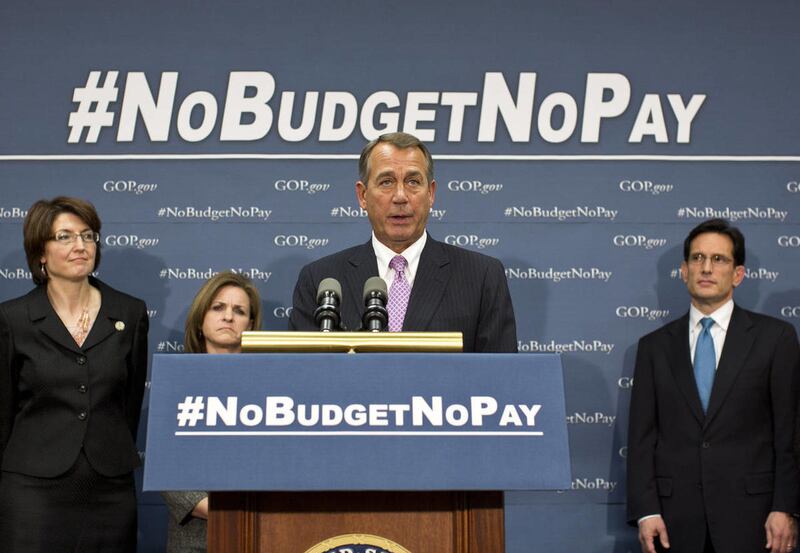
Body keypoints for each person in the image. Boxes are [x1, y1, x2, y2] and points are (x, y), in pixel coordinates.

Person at [626, 218, 800, 553]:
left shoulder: (775, 339)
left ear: (738, 274)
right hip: (674, 523)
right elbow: (641, 439)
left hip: (756, 519)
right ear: (683, 270)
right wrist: (646, 510)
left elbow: (789, 433)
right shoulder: (654, 347)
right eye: (697, 258)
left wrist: (785, 506)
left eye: (718, 259)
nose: (706, 268)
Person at [0, 196, 149, 552]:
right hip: (31, 489)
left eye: (88, 235)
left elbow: (129, 404)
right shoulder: (13, 318)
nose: (80, 245)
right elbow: (3, 411)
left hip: (109, 488)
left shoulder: (129, 312)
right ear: (40, 253)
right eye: (64, 237)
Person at [289, 132, 517, 352]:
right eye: (386, 182)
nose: (400, 196)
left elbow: (502, 379)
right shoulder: (320, 280)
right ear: (363, 196)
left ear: (431, 194)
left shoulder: (481, 277)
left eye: (413, 182)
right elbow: (303, 377)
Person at [161, 271, 262, 553]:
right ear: (201, 317)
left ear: (250, 325)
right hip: (195, 541)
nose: (228, 317)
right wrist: (227, 512)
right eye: (218, 307)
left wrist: (259, 513)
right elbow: (168, 472)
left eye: (239, 311)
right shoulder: (176, 385)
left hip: (260, 535)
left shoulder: (268, 390)